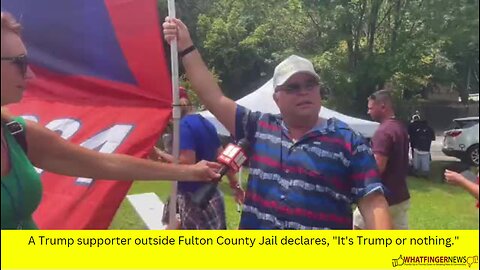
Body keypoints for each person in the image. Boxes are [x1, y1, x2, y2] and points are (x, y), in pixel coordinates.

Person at [162, 18, 392, 229]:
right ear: (276, 98)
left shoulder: (348, 141)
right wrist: (186, 46)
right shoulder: (259, 127)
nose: (304, 92)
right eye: (293, 87)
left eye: (310, 84)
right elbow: (214, 97)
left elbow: (373, 202)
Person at [1, 12, 220, 230]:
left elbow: (103, 163)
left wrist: (190, 171)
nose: (30, 74)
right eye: (19, 63)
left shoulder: (17, 133)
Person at [151, 87, 245, 229]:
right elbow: (223, 159)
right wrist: (235, 185)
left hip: (193, 197)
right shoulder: (206, 123)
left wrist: (160, 154)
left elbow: (186, 164)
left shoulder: (183, 126)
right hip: (210, 195)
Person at [354, 90, 410, 229]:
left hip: (383, 199)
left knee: (357, 228)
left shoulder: (383, 132)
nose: (368, 112)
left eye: (371, 108)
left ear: (383, 106)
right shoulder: (399, 127)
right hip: (400, 195)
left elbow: (377, 168)